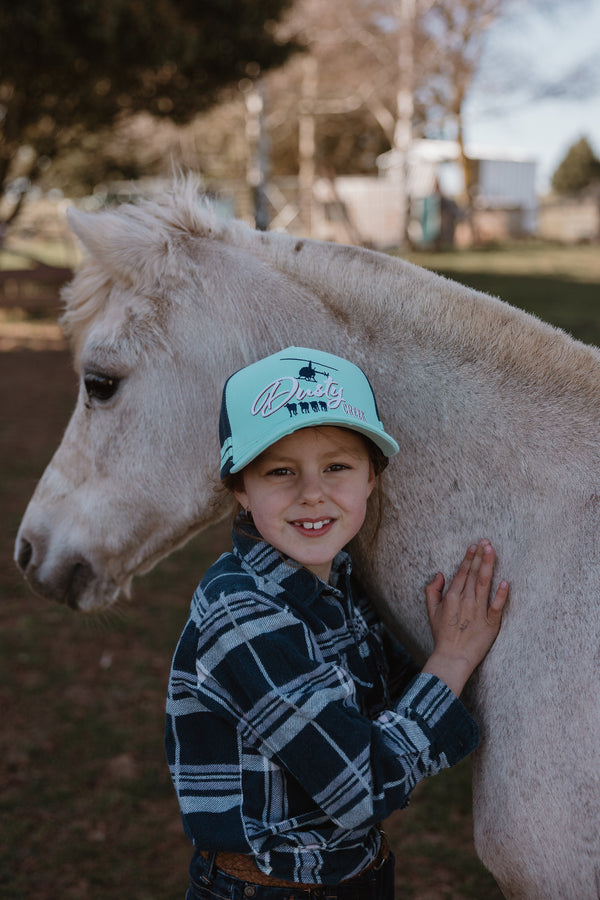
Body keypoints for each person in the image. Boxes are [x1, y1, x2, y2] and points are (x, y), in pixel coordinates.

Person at [165, 346, 508, 900]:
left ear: (372, 476)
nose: (312, 493)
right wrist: (452, 658)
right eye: (280, 471)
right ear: (240, 490)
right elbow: (360, 788)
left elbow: (397, 699)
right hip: (271, 888)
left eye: (337, 466)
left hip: (351, 875)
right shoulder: (242, 611)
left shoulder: (334, 582)